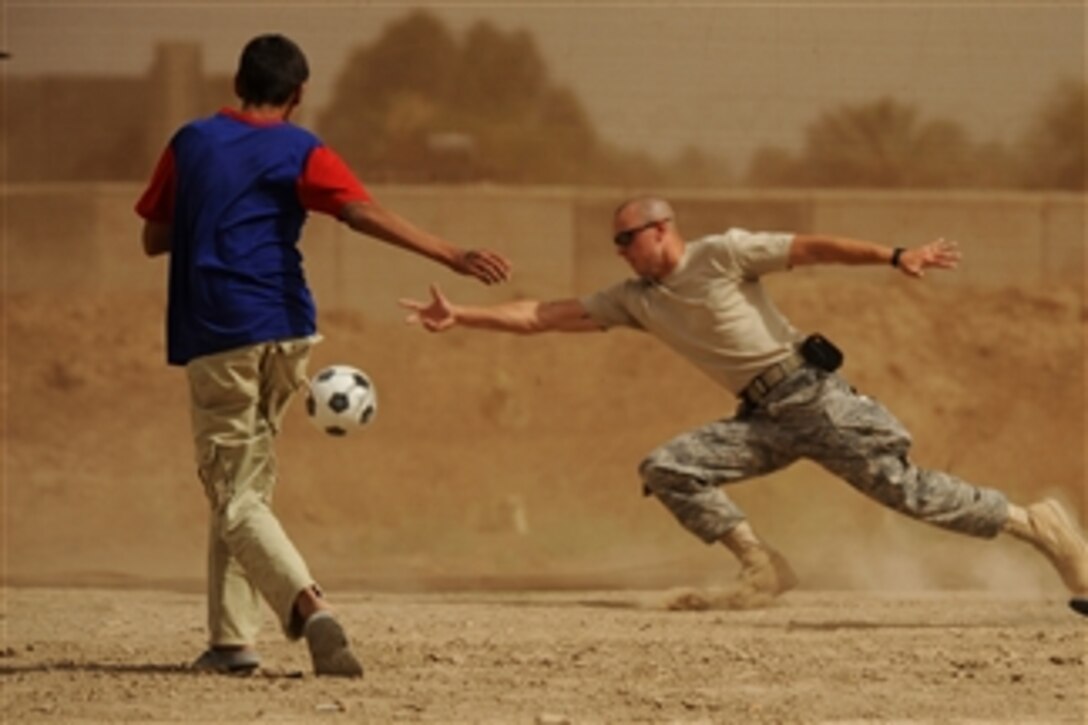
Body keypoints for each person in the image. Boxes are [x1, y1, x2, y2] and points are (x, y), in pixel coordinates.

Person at [400, 195, 1088, 616]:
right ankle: (763, 565)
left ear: (661, 228)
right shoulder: (635, 300)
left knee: (906, 492)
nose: (619, 251)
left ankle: (1038, 524)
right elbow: (542, 315)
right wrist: (461, 314)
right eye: (615, 243)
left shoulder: (722, 254)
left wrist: (895, 254)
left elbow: (810, 248)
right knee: (669, 466)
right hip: (760, 418)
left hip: (809, 396)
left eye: (626, 238)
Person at [135, 34, 511, 677]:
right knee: (241, 489)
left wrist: (209, 218)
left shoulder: (189, 144)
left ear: (236, 82)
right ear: (299, 95)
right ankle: (231, 642)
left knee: (235, 493)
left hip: (221, 331)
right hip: (290, 331)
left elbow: (154, 236)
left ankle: (310, 607)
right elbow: (359, 212)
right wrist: (453, 254)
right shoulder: (300, 148)